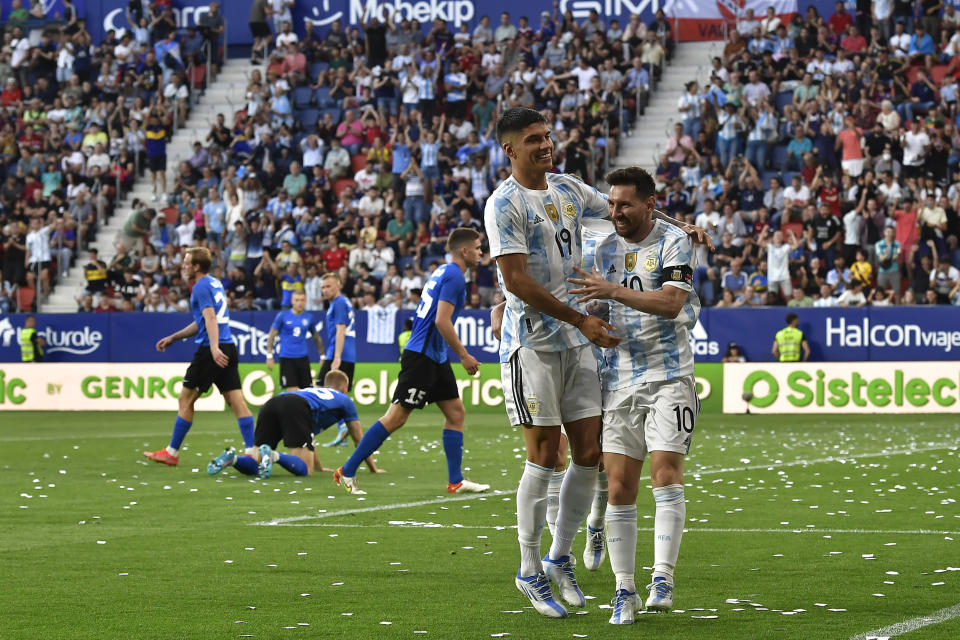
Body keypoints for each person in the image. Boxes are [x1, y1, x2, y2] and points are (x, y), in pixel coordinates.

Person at [483, 108, 707, 619]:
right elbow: (516, 281)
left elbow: (623, 210)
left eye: (547, 136)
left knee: (587, 454)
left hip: (577, 342)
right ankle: (528, 567)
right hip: (534, 343)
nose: (545, 145)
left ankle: (559, 555)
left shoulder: (566, 188)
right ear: (510, 149)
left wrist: (681, 226)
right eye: (533, 140)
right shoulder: (504, 204)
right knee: (545, 456)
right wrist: (578, 319)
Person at [567, 167, 700, 624]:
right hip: (618, 378)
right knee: (620, 487)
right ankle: (625, 590)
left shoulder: (673, 242)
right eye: (610, 203)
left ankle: (662, 576)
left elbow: (670, 303)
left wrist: (612, 290)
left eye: (624, 204)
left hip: (669, 375)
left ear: (648, 203)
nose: (615, 212)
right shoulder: (601, 248)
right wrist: (595, 315)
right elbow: (594, 304)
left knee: (665, 475)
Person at [333, 228, 490, 496]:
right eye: (477, 247)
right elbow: (441, 320)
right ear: (464, 251)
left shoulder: (444, 271)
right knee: (396, 417)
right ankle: (346, 470)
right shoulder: (454, 276)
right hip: (422, 357)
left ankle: (456, 481)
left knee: (456, 413)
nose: (480, 252)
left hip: (435, 356)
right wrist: (463, 355)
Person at [144, 247, 254, 466]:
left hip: (210, 351)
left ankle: (172, 453)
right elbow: (203, 320)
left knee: (185, 398)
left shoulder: (200, 287)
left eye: (186, 262)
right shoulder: (214, 283)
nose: (183, 266)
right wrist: (174, 337)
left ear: (196, 266)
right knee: (236, 401)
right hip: (228, 346)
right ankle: (252, 451)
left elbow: (210, 318)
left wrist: (213, 348)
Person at [207, 370, 380, 478]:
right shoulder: (344, 400)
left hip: (273, 402)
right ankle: (274, 456)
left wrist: (320, 466)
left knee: (256, 462)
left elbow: (309, 437)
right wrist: (373, 469)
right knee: (304, 469)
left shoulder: (313, 391)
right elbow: (360, 440)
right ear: (344, 389)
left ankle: (234, 458)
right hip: (296, 406)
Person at [266, 291, 323, 390]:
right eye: (297, 300)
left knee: (307, 391)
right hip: (287, 359)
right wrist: (269, 356)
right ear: (292, 301)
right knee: (292, 392)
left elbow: (316, 337)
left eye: (302, 300)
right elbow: (271, 336)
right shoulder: (282, 316)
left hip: (303, 358)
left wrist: (322, 356)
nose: (299, 303)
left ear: (305, 301)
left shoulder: (309, 317)